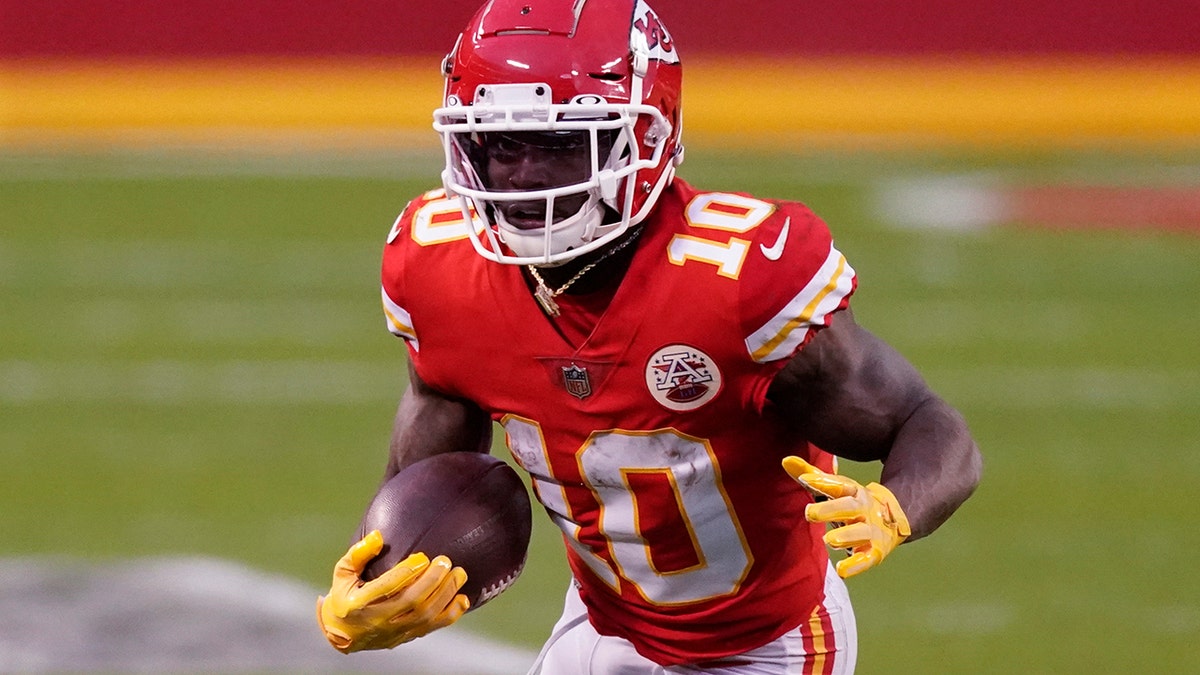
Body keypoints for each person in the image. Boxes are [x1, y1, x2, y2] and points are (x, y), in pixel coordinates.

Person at [316, 0, 983, 672]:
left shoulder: (738, 280)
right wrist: (367, 577)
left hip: (765, 645)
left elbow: (925, 422)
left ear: (645, 134)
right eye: (502, 143)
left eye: (561, 143)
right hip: (603, 625)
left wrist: (896, 506)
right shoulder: (438, 268)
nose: (523, 176)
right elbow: (425, 464)